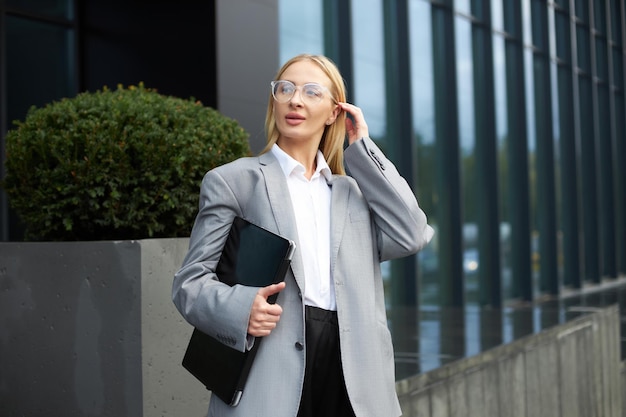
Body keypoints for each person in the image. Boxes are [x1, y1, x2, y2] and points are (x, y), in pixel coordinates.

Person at [172, 53, 434, 417]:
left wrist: (362, 150)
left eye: (312, 92)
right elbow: (189, 283)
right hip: (270, 370)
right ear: (275, 101)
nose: (295, 99)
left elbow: (412, 234)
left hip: (354, 374)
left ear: (333, 112)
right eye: (286, 89)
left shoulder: (354, 194)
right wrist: (241, 309)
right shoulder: (235, 182)